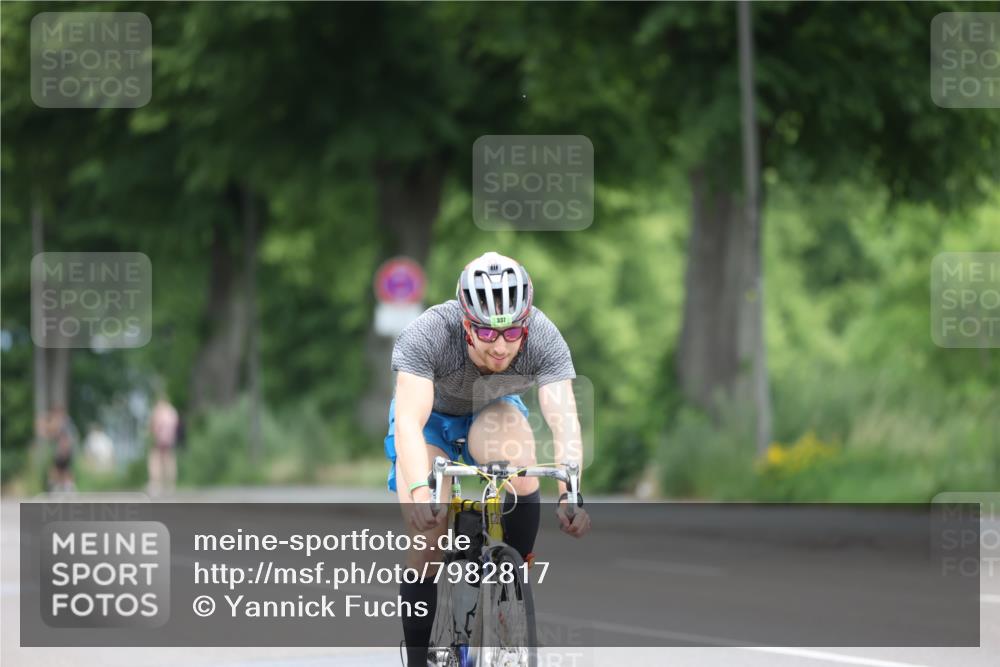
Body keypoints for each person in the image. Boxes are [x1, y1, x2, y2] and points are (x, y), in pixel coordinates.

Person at [384, 251, 591, 666]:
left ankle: (510, 584)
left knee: (519, 462)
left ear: (526, 323)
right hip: (430, 421)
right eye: (486, 333)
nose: (500, 346)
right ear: (465, 324)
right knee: (430, 532)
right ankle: (418, 659)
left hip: (491, 410)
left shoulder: (543, 336)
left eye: (512, 334)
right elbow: (409, 421)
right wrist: (417, 490)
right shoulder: (429, 333)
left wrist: (571, 493)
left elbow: (563, 418)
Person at [148, 395, 179, 496]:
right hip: (170, 440)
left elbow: (153, 426)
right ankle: (170, 485)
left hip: (160, 439)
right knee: (169, 461)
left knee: (155, 460)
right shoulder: (172, 412)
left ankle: (156, 484)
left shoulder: (159, 411)